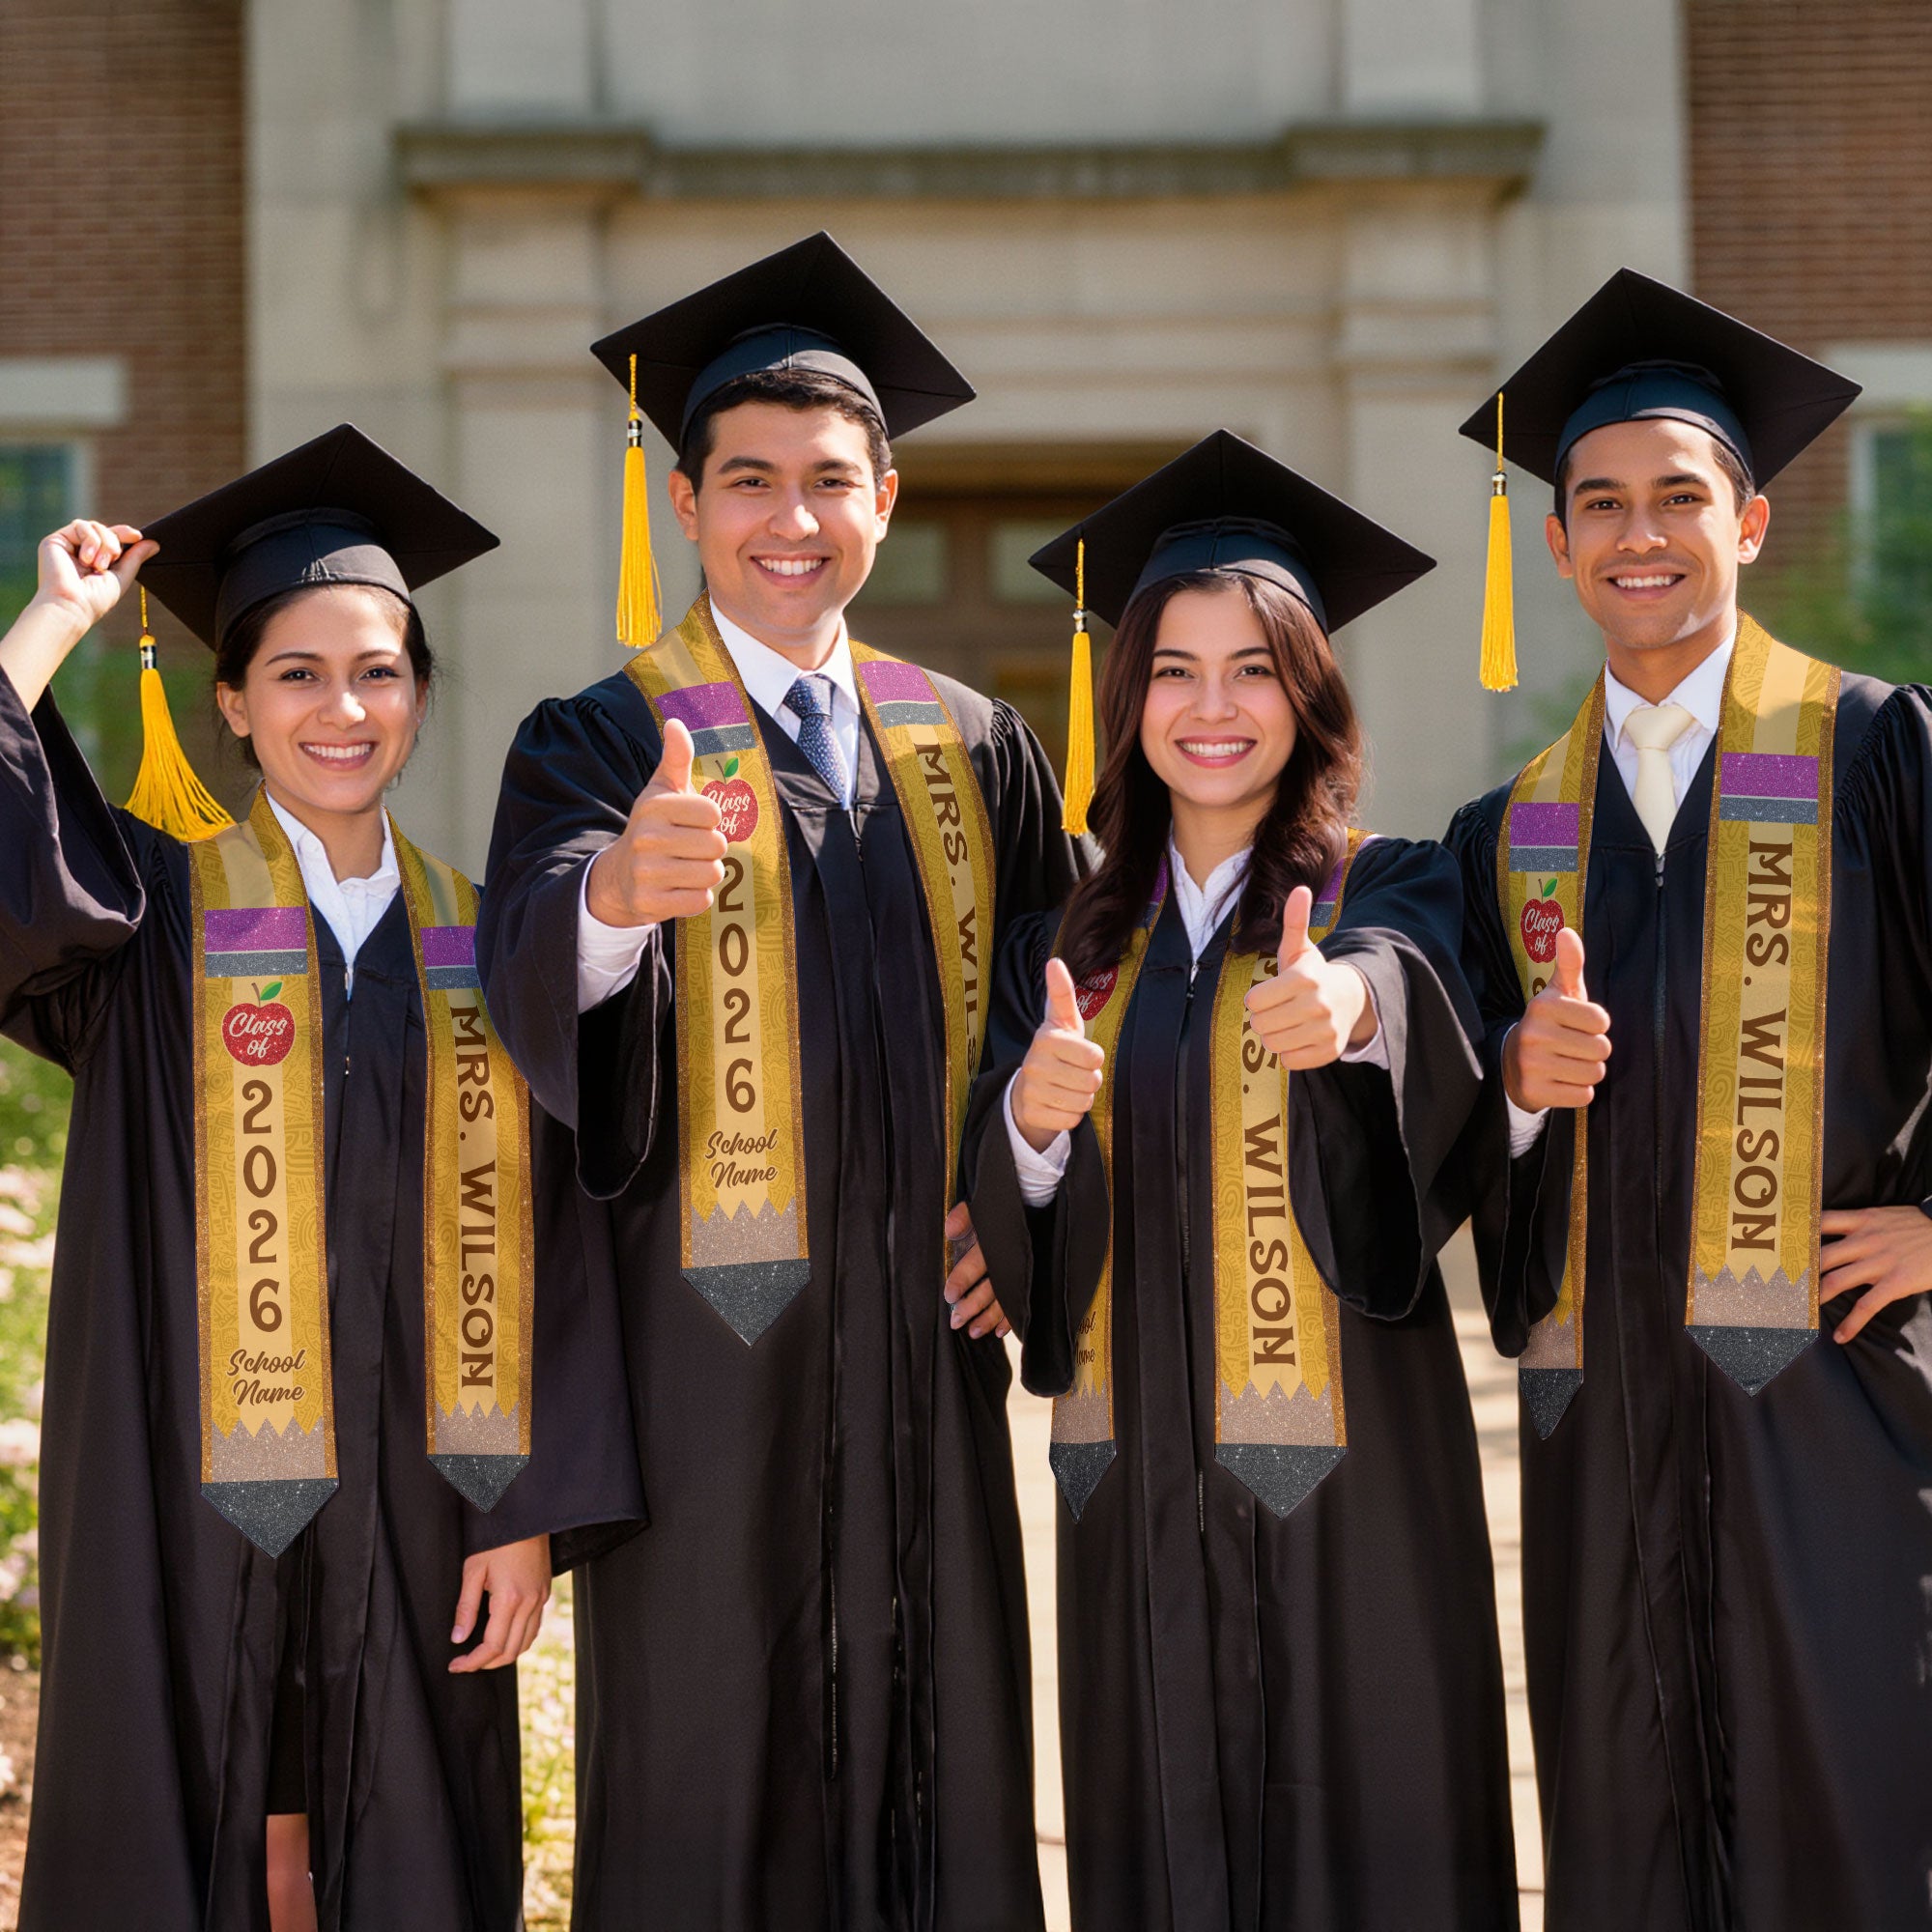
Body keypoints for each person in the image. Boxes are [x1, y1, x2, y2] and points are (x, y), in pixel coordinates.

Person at [476, 233, 1084, 1931]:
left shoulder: (973, 743)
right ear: (685, 504)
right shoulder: (599, 738)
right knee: (711, 1776)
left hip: (924, 1364)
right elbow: (528, 961)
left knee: (941, 1760)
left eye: (829, 480)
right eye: (748, 481)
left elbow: (1066, 1001)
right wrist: (612, 900)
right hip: (705, 1375)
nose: (790, 518)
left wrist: (1019, 1199)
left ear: (886, 498)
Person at [0, 425, 641, 1932]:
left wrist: (526, 1508)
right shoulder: (150, 918)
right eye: (296, 673)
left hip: (425, 1497)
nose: (341, 709)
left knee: (404, 1835)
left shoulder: (490, 941)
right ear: (231, 701)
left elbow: (564, 1246)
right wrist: (53, 622)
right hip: (179, 1482)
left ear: (418, 694)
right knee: (192, 1810)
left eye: (378, 672)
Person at [963, 431, 1518, 1931]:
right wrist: (1028, 1124)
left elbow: (1412, 989)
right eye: (1175, 671)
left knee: (1374, 1839)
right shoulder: (1066, 945)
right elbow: (1009, 1205)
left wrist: (1352, 1010)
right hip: (1133, 1477)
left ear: (1310, 693)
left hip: (1354, 1481)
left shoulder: (1388, 883)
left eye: (1254, 670)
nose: (1213, 709)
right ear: (1126, 698)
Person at [1446, 270, 1932, 1931]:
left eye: (1678, 497)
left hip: (1836, 1404)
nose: (1637, 534)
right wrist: (1515, 1091)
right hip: (1606, 1434)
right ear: (1558, 543)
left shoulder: (1879, 753)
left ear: (1752, 522)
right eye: (1599, 504)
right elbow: (1457, 1137)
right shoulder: (1512, 831)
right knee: (1627, 1831)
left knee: (1854, 1820)